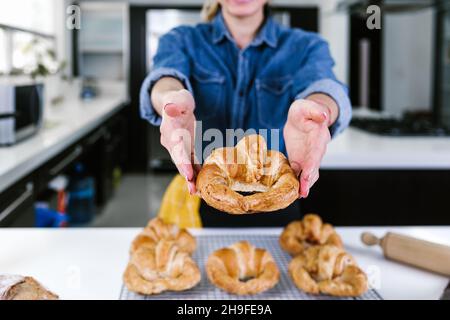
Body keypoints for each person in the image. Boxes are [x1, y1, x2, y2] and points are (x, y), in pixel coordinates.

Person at [140, 0, 351, 227]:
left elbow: (324, 85)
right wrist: (170, 99)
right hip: (206, 199)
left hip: (278, 202)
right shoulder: (181, 40)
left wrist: (319, 110)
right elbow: (165, 79)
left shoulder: (306, 46)